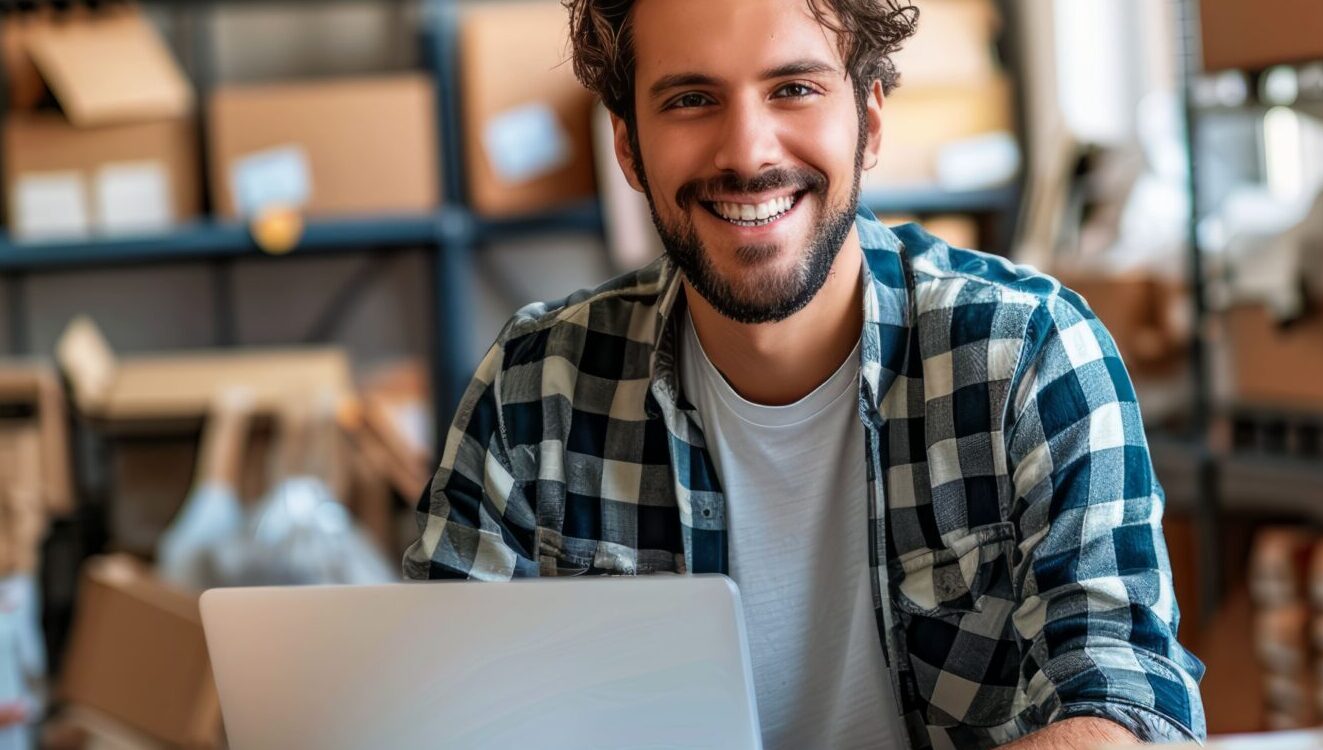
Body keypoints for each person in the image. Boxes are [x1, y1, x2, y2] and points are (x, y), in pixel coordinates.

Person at [403, 0, 1205, 747]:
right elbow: (434, 716)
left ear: (871, 121)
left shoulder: (1027, 357)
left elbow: (1124, 709)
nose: (748, 152)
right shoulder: (531, 389)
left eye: (793, 88)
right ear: (627, 146)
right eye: (690, 99)